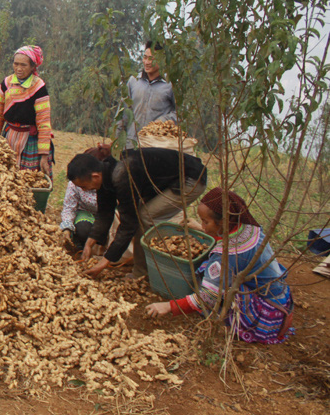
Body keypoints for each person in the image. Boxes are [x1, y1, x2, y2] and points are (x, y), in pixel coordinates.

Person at [146, 188, 294, 344]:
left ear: (223, 221)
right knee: (211, 271)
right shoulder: (248, 227)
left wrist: (169, 306)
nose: (203, 226)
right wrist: (201, 227)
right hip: (281, 298)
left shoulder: (226, 255)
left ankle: (238, 325)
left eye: (206, 221)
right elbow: (228, 237)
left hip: (267, 313)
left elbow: (208, 298)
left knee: (209, 277)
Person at [67, 147, 207, 279]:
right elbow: (105, 213)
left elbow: (129, 224)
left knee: (144, 217)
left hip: (190, 179)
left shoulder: (122, 175)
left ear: (95, 176)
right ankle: (147, 264)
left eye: (84, 187)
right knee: (143, 216)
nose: (84, 191)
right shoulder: (105, 172)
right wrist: (89, 244)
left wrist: (105, 261)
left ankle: (143, 272)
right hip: (164, 182)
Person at [0, 45, 52, 175]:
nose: (18, 68)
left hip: (30, 140)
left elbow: (43, 122)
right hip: (9, 137)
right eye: (16, 64)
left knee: (29, 178)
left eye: (23, 65)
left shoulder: (39, 88)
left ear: (33, 67)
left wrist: (44, 155)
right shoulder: (6, 83)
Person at [124, 41, 177, 148]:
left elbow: (180, 114)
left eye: (151, 59)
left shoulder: (170, 84)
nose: (147, 62)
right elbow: (123, 112)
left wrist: (163, 120)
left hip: (156, 146)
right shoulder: (133, 81)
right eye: (145, 57)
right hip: (131, 144)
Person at [59, 180, 97, 250]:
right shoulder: (74, 183)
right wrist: (67, 228)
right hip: (86, 212)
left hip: (110, 212)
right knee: (83, 230)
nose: (83, 189)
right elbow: (69, 208)